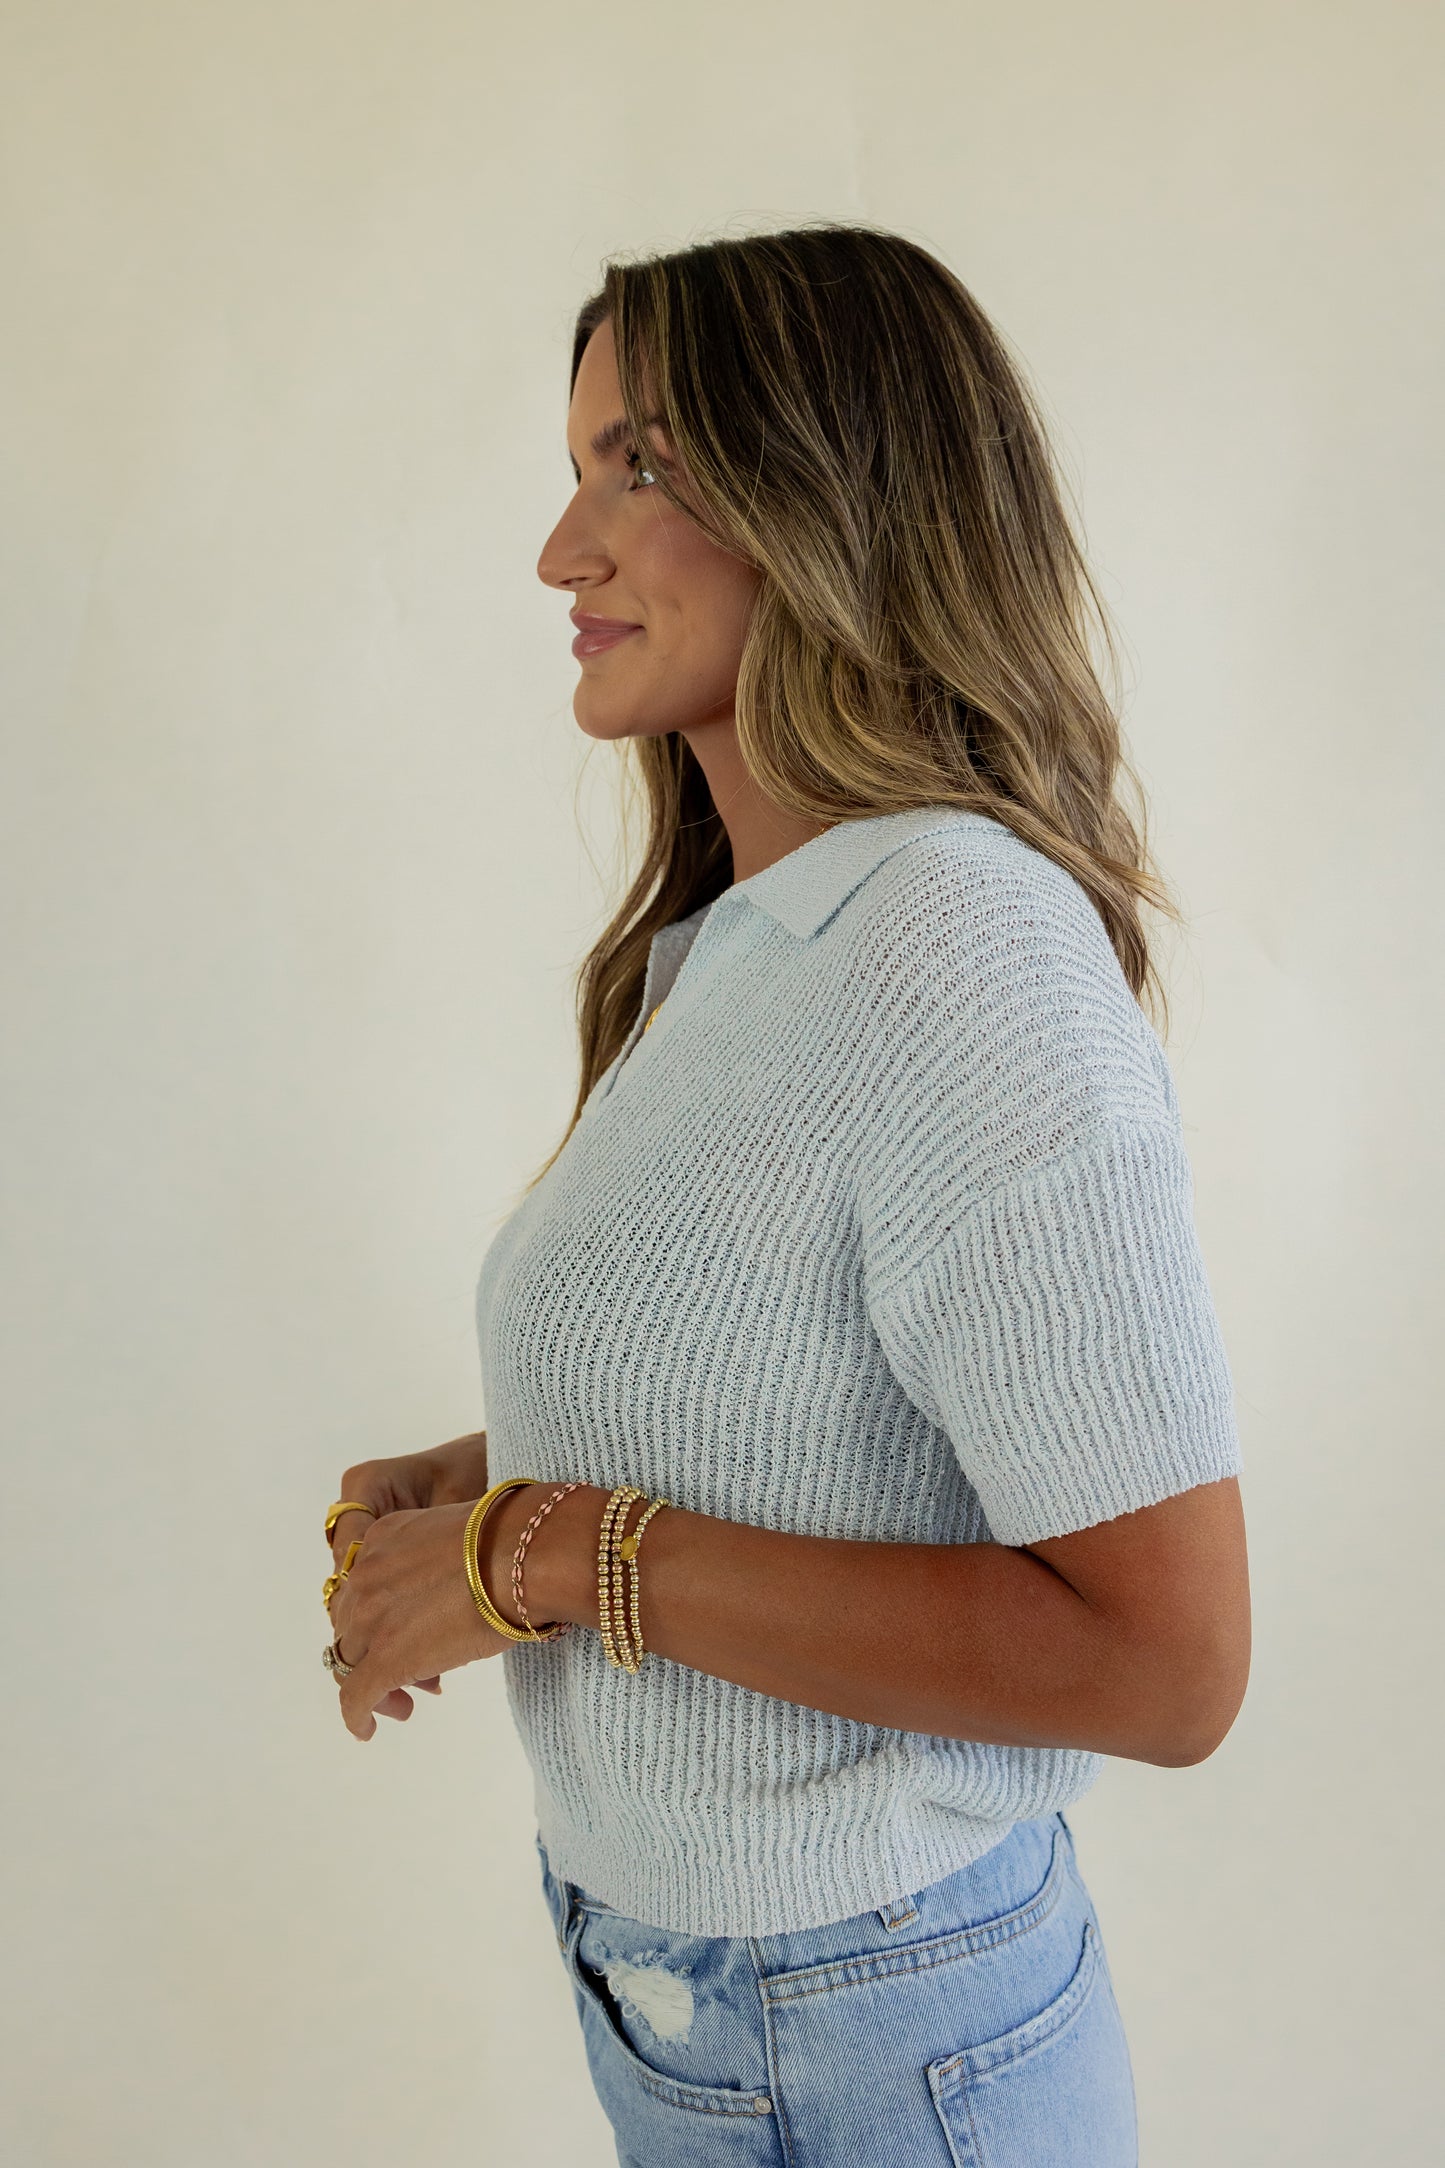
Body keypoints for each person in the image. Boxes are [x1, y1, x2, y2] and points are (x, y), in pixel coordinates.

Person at [320, 223, 1250, 2167]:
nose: (562, 551)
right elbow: (833, 1396)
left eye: (638, 469)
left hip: (873, 2035)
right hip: (737, 2007)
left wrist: (541, 1551)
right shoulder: (763, 939)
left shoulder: (957, 946)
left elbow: (1165, 1659)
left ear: (834, 501)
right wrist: (485, 1479)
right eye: (576, 470)